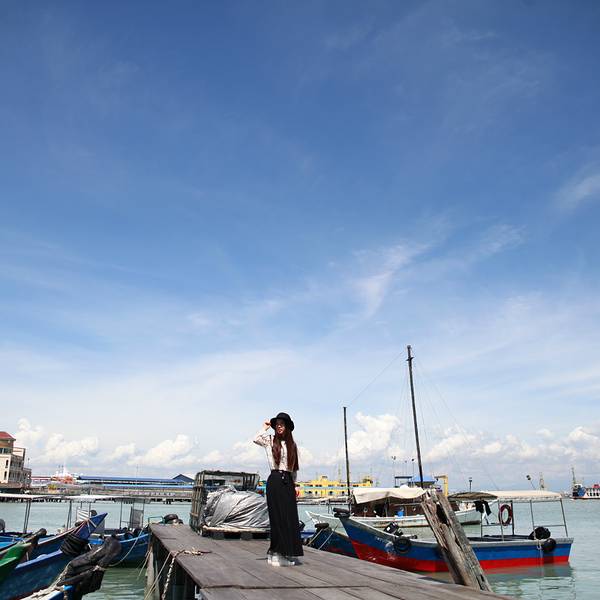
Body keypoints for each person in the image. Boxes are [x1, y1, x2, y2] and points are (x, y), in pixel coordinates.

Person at [254, 412, 303, 567]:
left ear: (287, 427)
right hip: (275, 479)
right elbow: (256, 438)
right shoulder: (270, 440)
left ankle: (283, 552)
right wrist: (265, 427)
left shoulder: (292, 445)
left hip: (288, 481)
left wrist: (295, 485)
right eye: (277, 424)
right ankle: (276, 553)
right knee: (277, 517)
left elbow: (293, 468)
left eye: (282, 424)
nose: (279, 426)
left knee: (289, 518)